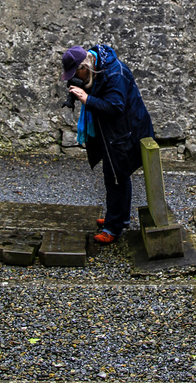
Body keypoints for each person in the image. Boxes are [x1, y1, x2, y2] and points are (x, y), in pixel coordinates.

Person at [60, 44, 154, 245]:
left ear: (85, 66)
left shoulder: (114, 73)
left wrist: (87, 99)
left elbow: (116, 107)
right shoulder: (98, 68)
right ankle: (120, 217)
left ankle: (113, 227)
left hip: (125, 131)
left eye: (75, 73)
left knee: (116, 177)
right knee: (117, 174)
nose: (75, 77)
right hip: (117, 130)